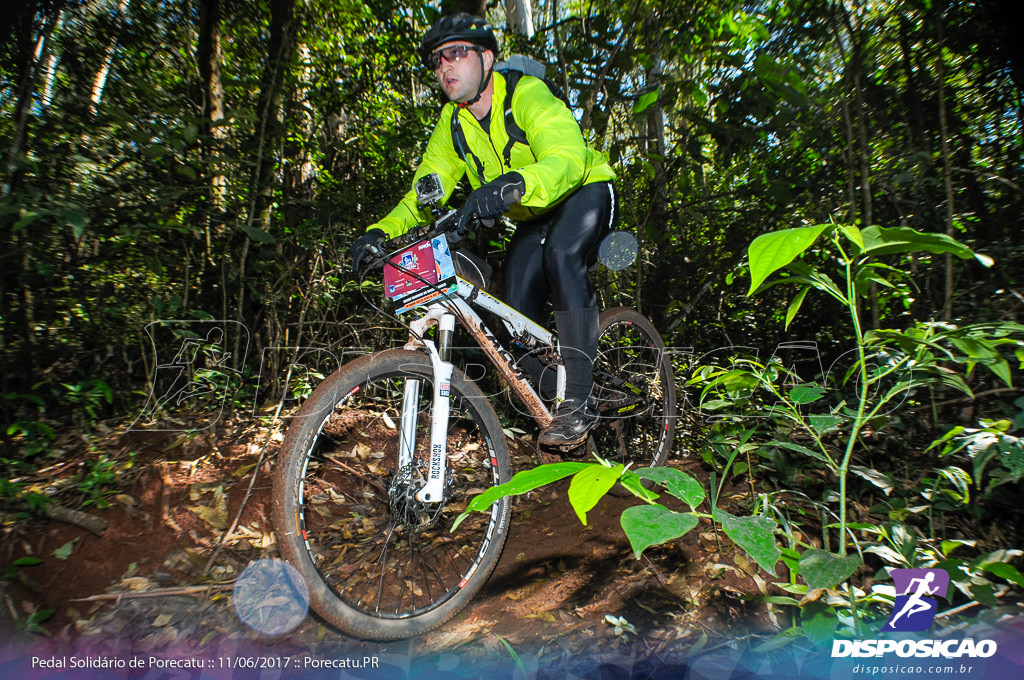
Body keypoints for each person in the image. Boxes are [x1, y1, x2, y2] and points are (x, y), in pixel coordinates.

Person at [350, 13, 617, 447]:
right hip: (534, 215)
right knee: (510, 315)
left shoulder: (525, 95)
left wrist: (513, 184)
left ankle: (580, 400)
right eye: (437, 61)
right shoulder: (452, 123)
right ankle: (558, 393)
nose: (445, 68)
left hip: (583, 190)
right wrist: (379, 232)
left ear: (486, 57)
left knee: (562, 257)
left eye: (456, 53)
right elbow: (422, 193)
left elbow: (567, 157)